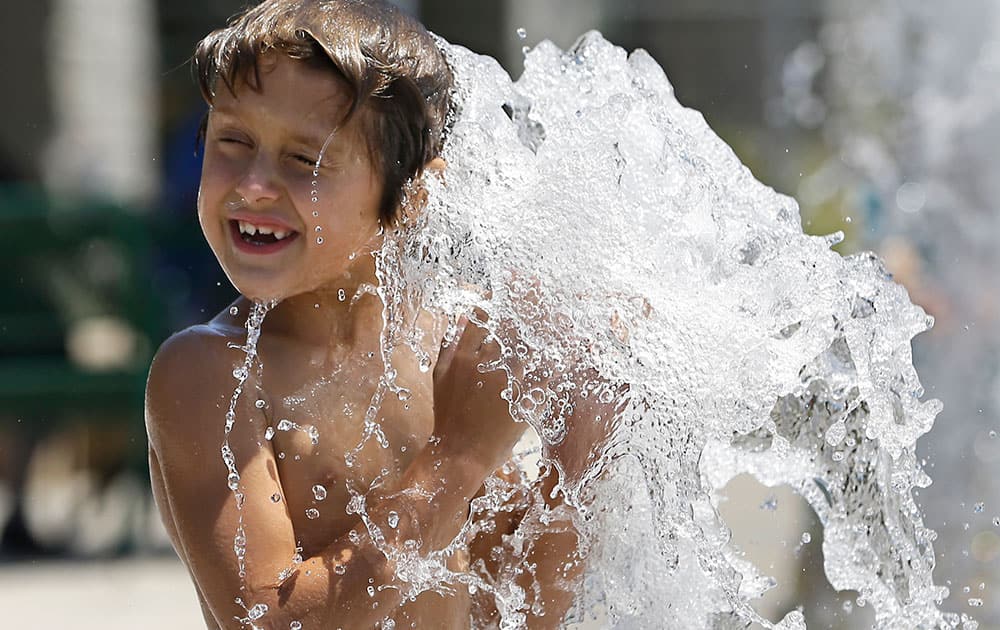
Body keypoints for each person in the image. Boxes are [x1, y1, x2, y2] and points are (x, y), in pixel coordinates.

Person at [145, 1, 607, 627]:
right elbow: (270, 620)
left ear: (411, 197)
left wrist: (584, 439)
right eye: (234, 141)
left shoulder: (451, 353)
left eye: (304, 160)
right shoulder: (210, 374)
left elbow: (513, 611)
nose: (253, 184)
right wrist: (457, 457)